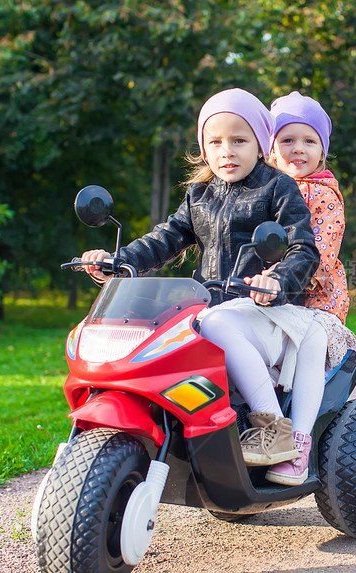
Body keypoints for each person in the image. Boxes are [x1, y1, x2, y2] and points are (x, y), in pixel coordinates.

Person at [80, 88, 320, 467]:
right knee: (165, 332)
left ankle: (273, 426)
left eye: (239, 140)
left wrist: (277, 281)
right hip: (212, 309)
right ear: (203, 148)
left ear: (261, 145)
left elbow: (303, 248)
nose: (227, 151)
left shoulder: (278, 187)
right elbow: (164, 239)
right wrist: (116, 259)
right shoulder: (199, 195)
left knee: (217, 320)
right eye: (216, 141)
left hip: (268, 313)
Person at [260, 91, 356, 485]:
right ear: (270, 148)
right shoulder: (263, 190)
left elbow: (319, 253)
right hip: (267, 294)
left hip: (314, 299)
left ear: (323, 150)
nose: (298, 149)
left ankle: (299, 440)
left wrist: (279, 275)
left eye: (309, 141)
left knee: (308, 345)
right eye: (287, 140)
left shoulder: (321, 194)